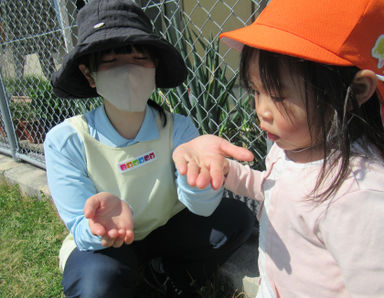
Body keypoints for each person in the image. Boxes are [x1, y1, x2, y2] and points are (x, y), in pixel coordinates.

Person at [172, 0, 384, 297]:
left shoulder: (359, 196)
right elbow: (277, 190)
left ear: (356, 92)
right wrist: (226, 170)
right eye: (256, 92)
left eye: (278, 96)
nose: (261, 110)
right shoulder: (294, 144)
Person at [44, 1, 255, 297]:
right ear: (89, 74)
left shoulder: (178, 127)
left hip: (167, 228)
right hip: (109, 247)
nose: (128, 70)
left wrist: (202, 182)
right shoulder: (66, 140)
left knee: (236, 219)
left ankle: (168, 274)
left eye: (139, 57)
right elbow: (81, 227)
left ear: (155, 68)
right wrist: (99, 229)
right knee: (95, 284)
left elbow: (201, 206)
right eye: (112, 59)